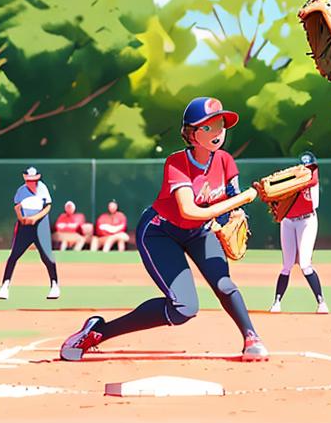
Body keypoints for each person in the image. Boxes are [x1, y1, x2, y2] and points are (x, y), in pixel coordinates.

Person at [60, 97, 268, 362]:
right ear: (191, 134)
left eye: (221, 125)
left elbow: (232, 201)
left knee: (224, 283)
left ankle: (251, 337)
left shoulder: (226, 160)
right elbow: (189, 210)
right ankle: (98, 331)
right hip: (161, 232)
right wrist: (244, 199)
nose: (218, 132)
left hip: (199, 232)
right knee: (184, 308)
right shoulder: (177, 163)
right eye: (209, 126)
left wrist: (236, 215)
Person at [270, 151, 328, 313]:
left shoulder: (312, 181)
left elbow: (313, 184)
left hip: (307, 221)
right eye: (304, 167)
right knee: (287, 265)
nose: (308, 169)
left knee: (304, 263)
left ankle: (321, 302)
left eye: (310, 167)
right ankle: (277, 302)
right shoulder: (290, 181)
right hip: (288, 222)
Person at [0, 167, 59, 300]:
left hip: (40, 225)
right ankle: (4, 286)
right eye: (29, 180)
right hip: (24, 226)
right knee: (14, 255)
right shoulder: (21, 190)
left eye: (34, 179)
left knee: (47, 256)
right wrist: (21, 218)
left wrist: (35, 218)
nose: (32, 182)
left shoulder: (42, 188)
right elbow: (17, 207)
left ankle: (54, 285)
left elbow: (48, 206)